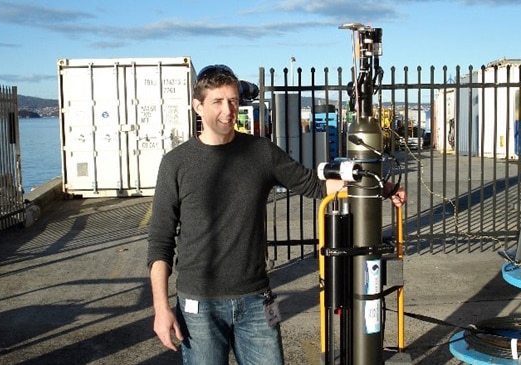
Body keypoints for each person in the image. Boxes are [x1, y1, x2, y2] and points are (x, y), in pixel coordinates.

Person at [146, 64, 406, 364]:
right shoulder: (176, 164)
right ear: (197, 106)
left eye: (232, 100)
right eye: (217, 101)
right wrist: (161, 308)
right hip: (199, 305)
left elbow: (315, 185)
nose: (228, 110)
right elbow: (160, 241)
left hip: (255, 300)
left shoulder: (260, 152)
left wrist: (383, 187)